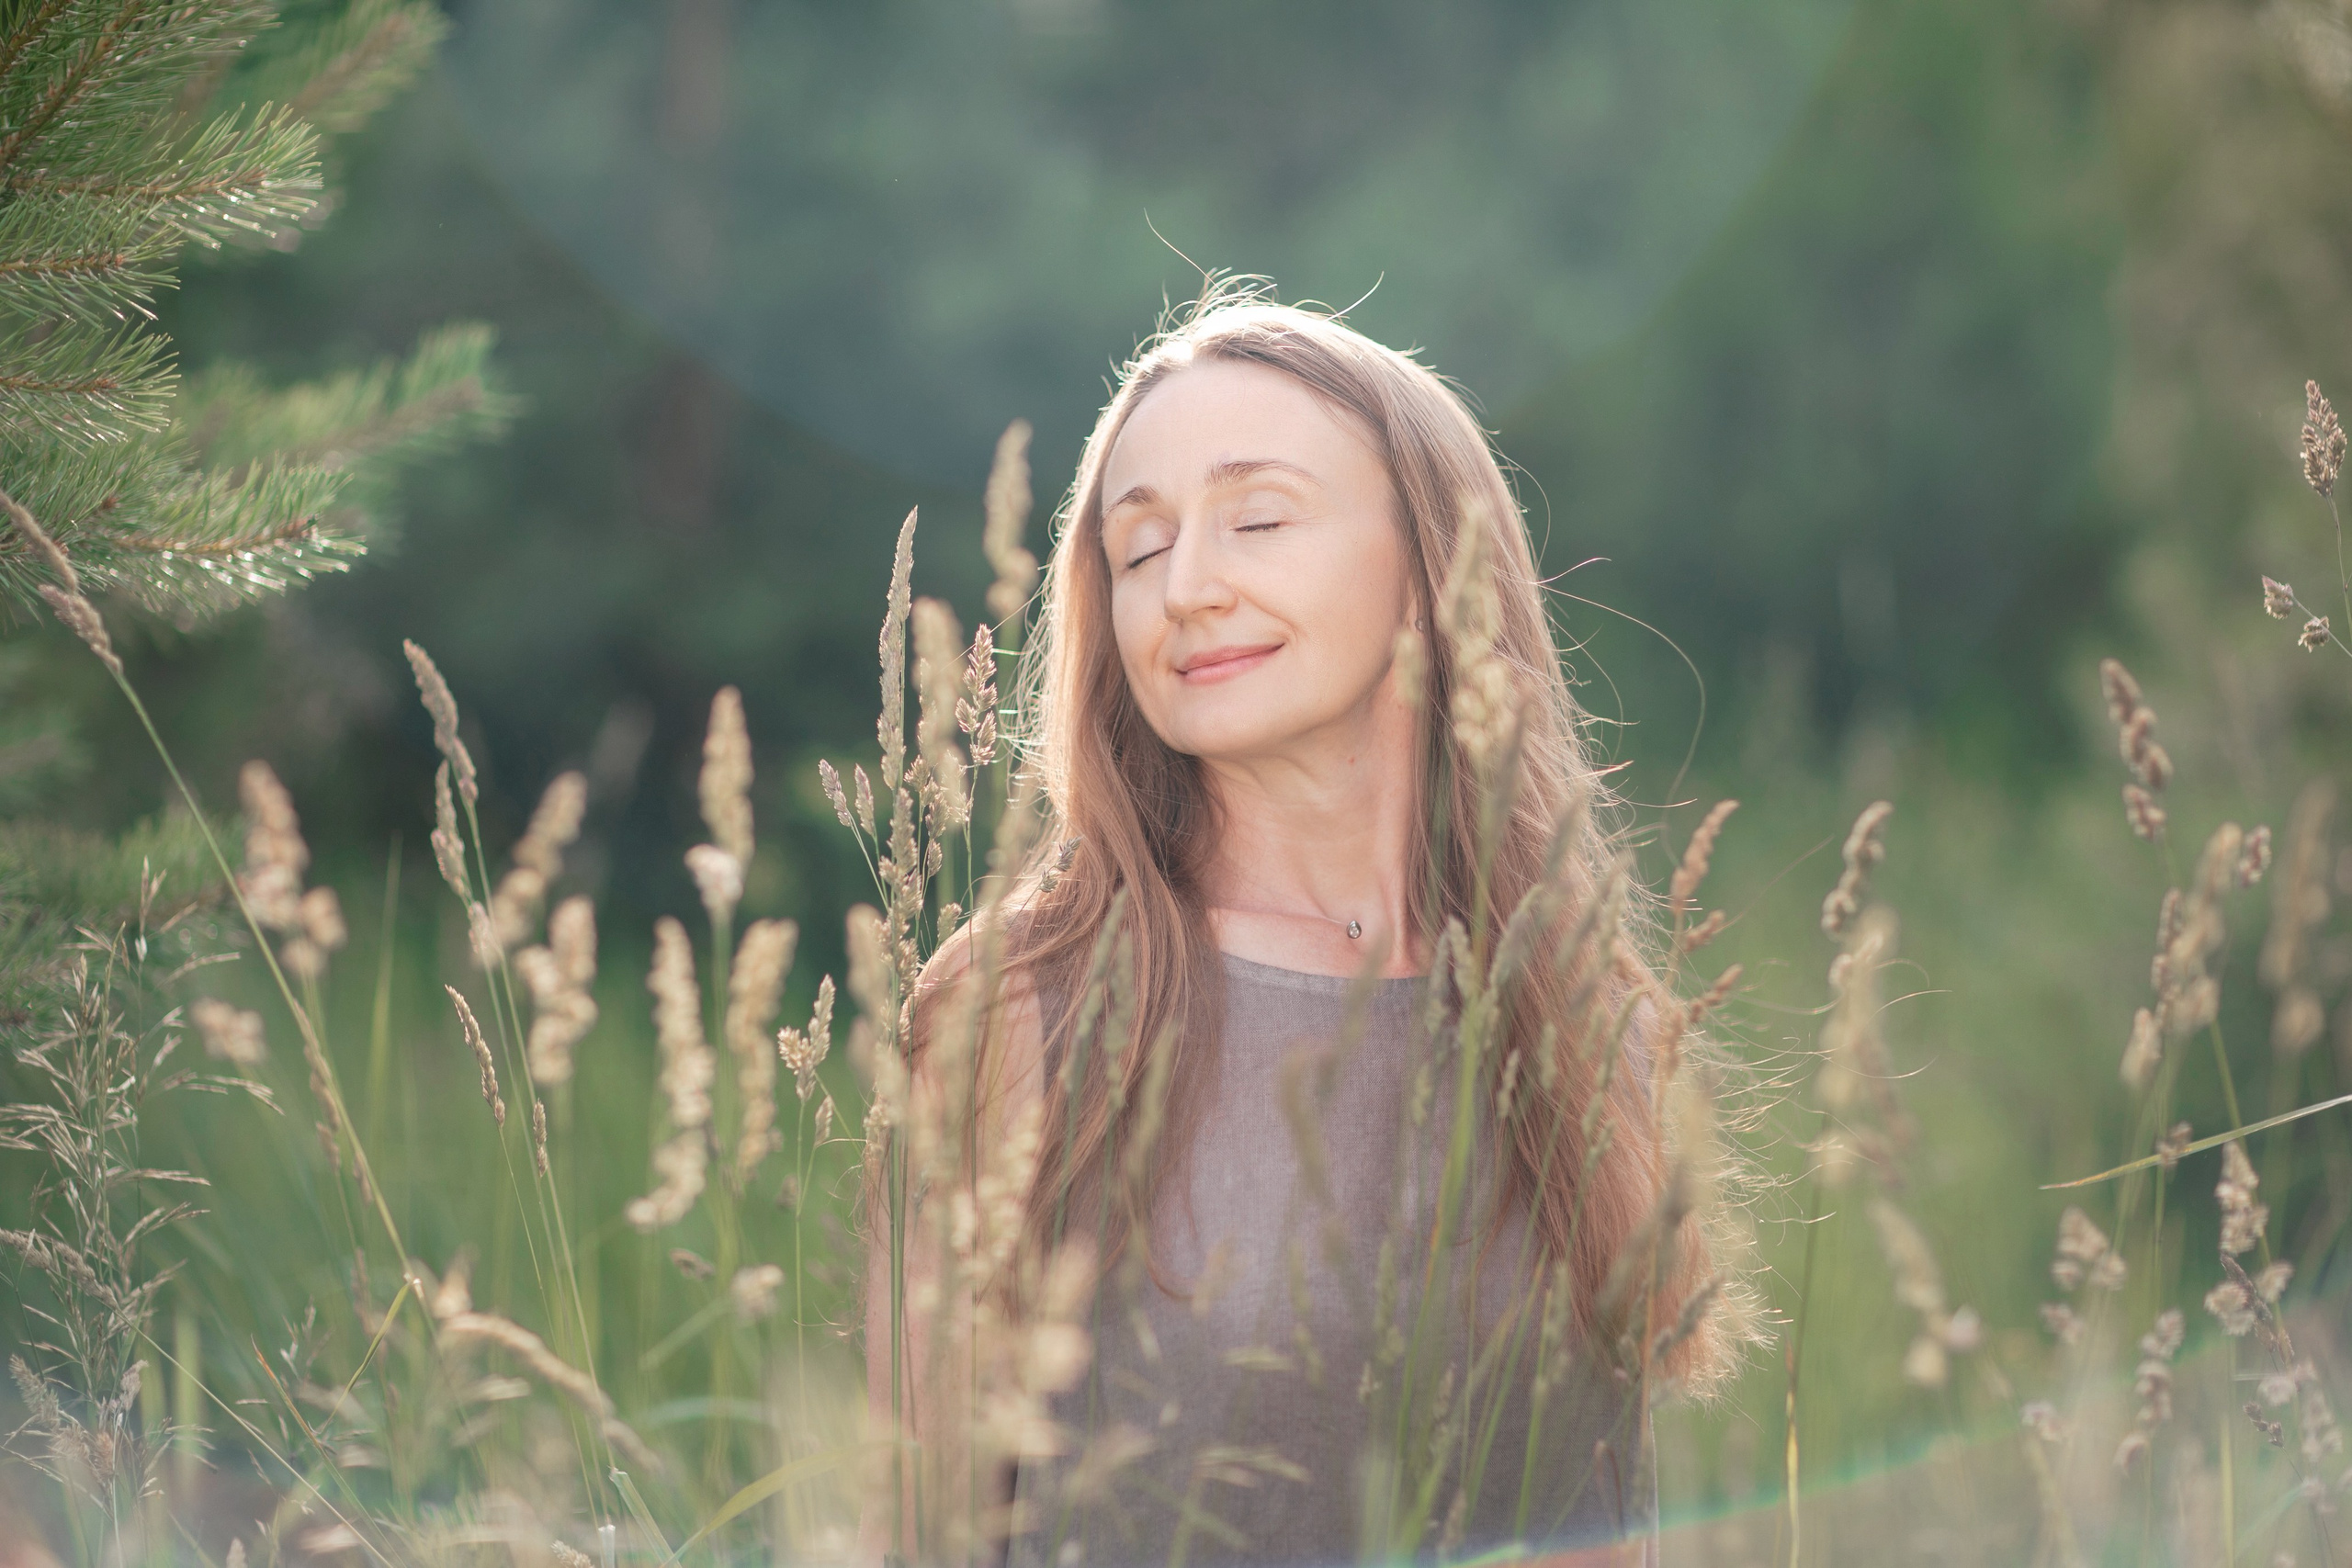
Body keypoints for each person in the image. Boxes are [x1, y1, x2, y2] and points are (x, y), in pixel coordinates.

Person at [862, 284, 1751, 1567]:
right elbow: (919, 1532)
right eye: (1140, 548)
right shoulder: (1027, 1009)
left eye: (1259, 518)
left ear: (1429, 568)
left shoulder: (1575, 1008)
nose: (1192, 587)